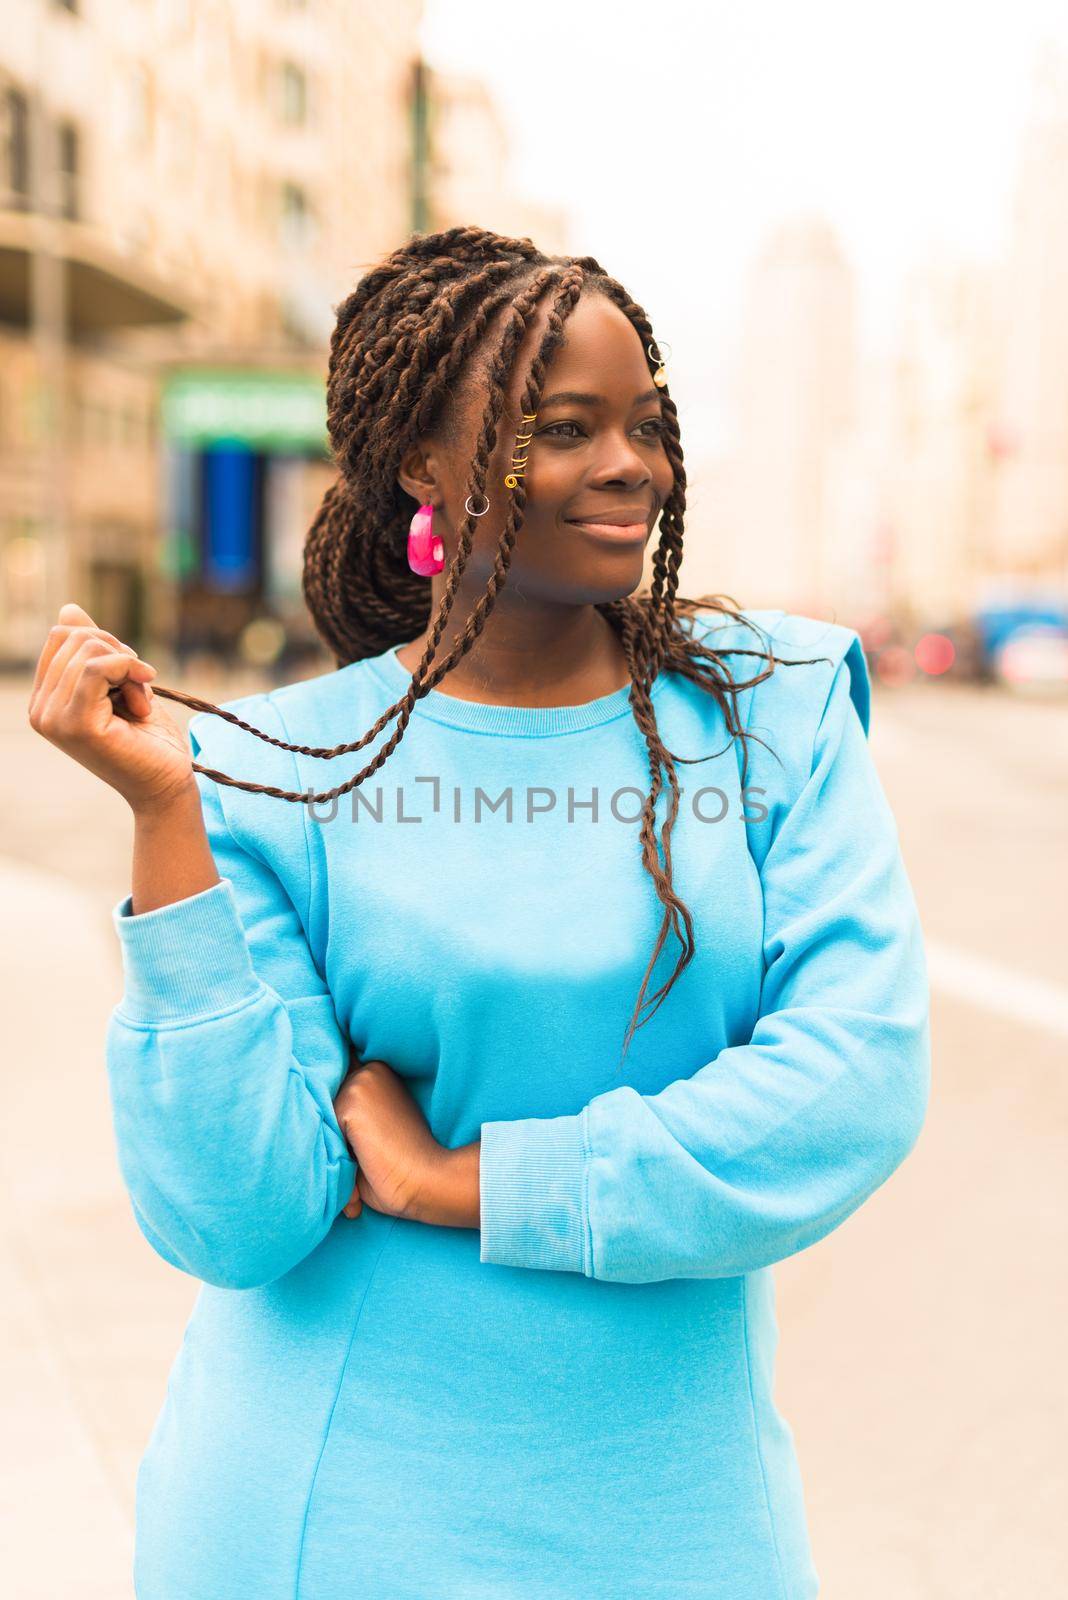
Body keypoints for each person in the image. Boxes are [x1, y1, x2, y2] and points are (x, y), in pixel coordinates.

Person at [28, 225, 930, 1600]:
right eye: (567, 428)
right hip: (322, 1524)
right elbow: (240, 1218)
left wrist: (474, 1182)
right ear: (425, 470)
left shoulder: (777, 710)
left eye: (648, 424)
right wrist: (168, 822)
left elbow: (852, 1086)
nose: (633, 465)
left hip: (671, 1530)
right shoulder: (274, 763)